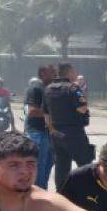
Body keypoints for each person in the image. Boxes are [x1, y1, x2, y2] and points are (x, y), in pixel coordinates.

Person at [44, 62, 93, 190]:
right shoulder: (73, 88)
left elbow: (46, 113)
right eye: (74, 71)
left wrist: (52, 130)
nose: (75, 73)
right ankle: (87, 192)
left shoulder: (48, 89)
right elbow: (82, 108)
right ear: (69, 72)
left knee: (61, 166)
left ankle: (62, 193)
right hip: (74, 133)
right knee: (85, 164)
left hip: (56, 134)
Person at [23, 66, 56, 188]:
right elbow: (32, 111)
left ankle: (41, 198)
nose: (55, 74)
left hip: (49, 135)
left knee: (45, 171)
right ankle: (36, 200)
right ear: (42, 73)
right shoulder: (36, 88)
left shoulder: (48, 89)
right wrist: (55, 113)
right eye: (52, 72)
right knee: (38, 171)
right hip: (37, 134)